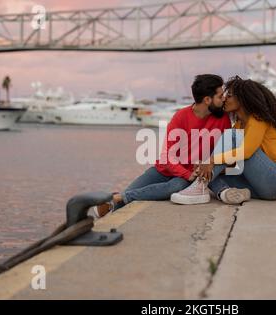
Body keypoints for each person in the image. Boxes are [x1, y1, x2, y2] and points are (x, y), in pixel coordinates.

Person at [92, 74, 232, 218]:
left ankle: (114, 199)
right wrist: (186, 173)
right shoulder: (181, 117)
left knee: (175, 187)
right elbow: (168, 156)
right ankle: (109, 207)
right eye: (220, 96)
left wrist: (194, 172)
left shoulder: (223, 119)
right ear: (207, 100)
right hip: (165, 169)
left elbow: (226, 152)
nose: (224, 99)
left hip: (188, 175)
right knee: (130, 193)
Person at [171, 75, 276, 205]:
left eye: (229, 96)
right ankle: (226, 192)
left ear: (242, 99)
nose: (224, 99)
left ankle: (199, 186)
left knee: (232, 136)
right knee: (213, 173)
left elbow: (246, 152)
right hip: (260, 187)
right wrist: (205, 166)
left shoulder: (258, 119)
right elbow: (236, 163)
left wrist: (211, 160)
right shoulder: (239, 125)